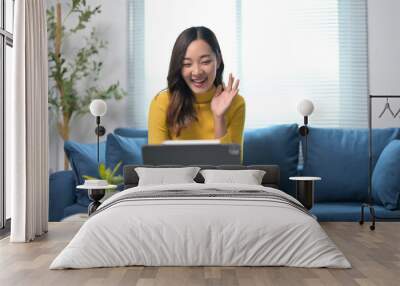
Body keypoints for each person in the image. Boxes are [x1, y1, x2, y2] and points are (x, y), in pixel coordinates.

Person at [148, 26, 245, 152]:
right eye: (187, 64)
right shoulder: (161, 103)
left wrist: (219, 117)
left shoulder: (236, 103)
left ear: (218, 60)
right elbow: (156, 164)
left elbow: (231, 167)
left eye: (205, 62)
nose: (197, 72)